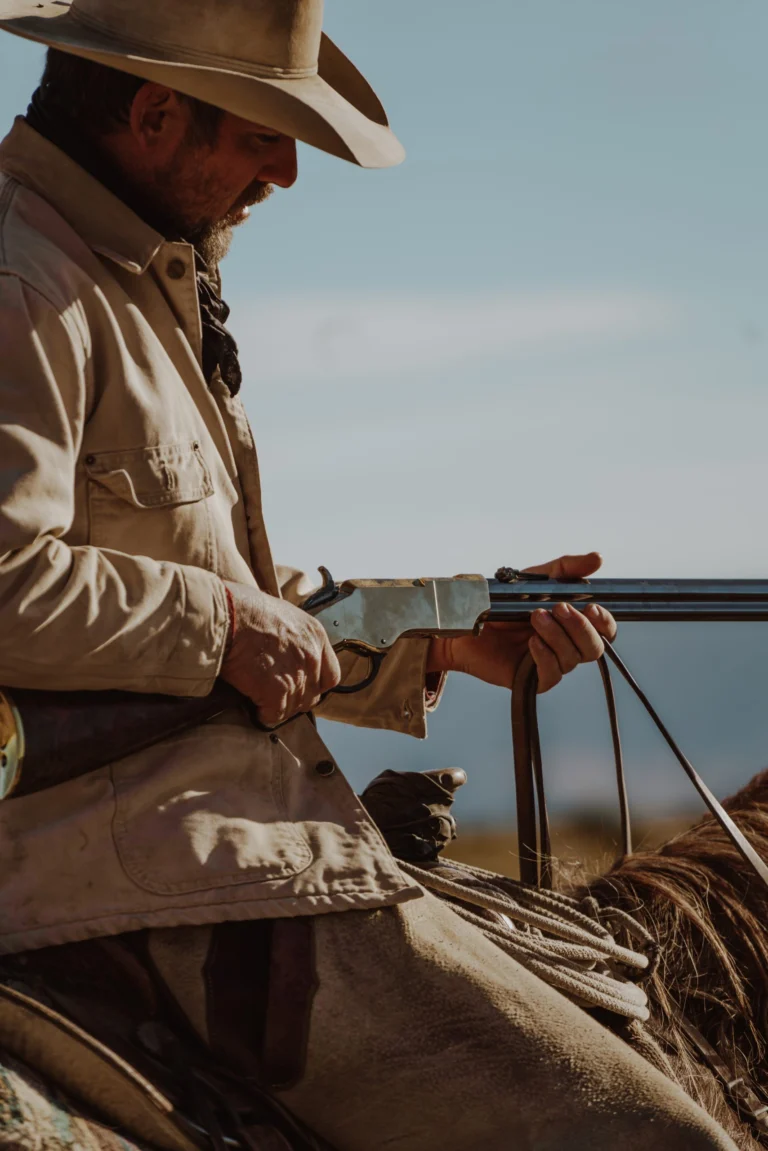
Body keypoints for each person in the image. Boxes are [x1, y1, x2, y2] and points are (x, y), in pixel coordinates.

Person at [0, 2, 737, 1148]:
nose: (286, 173)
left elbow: (199, 584)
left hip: (195, 838)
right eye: (262, 134)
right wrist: (226, 624)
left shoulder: (127, 277)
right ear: (152, 114)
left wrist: (437, 634)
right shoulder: (25, 283)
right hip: (129, 863)